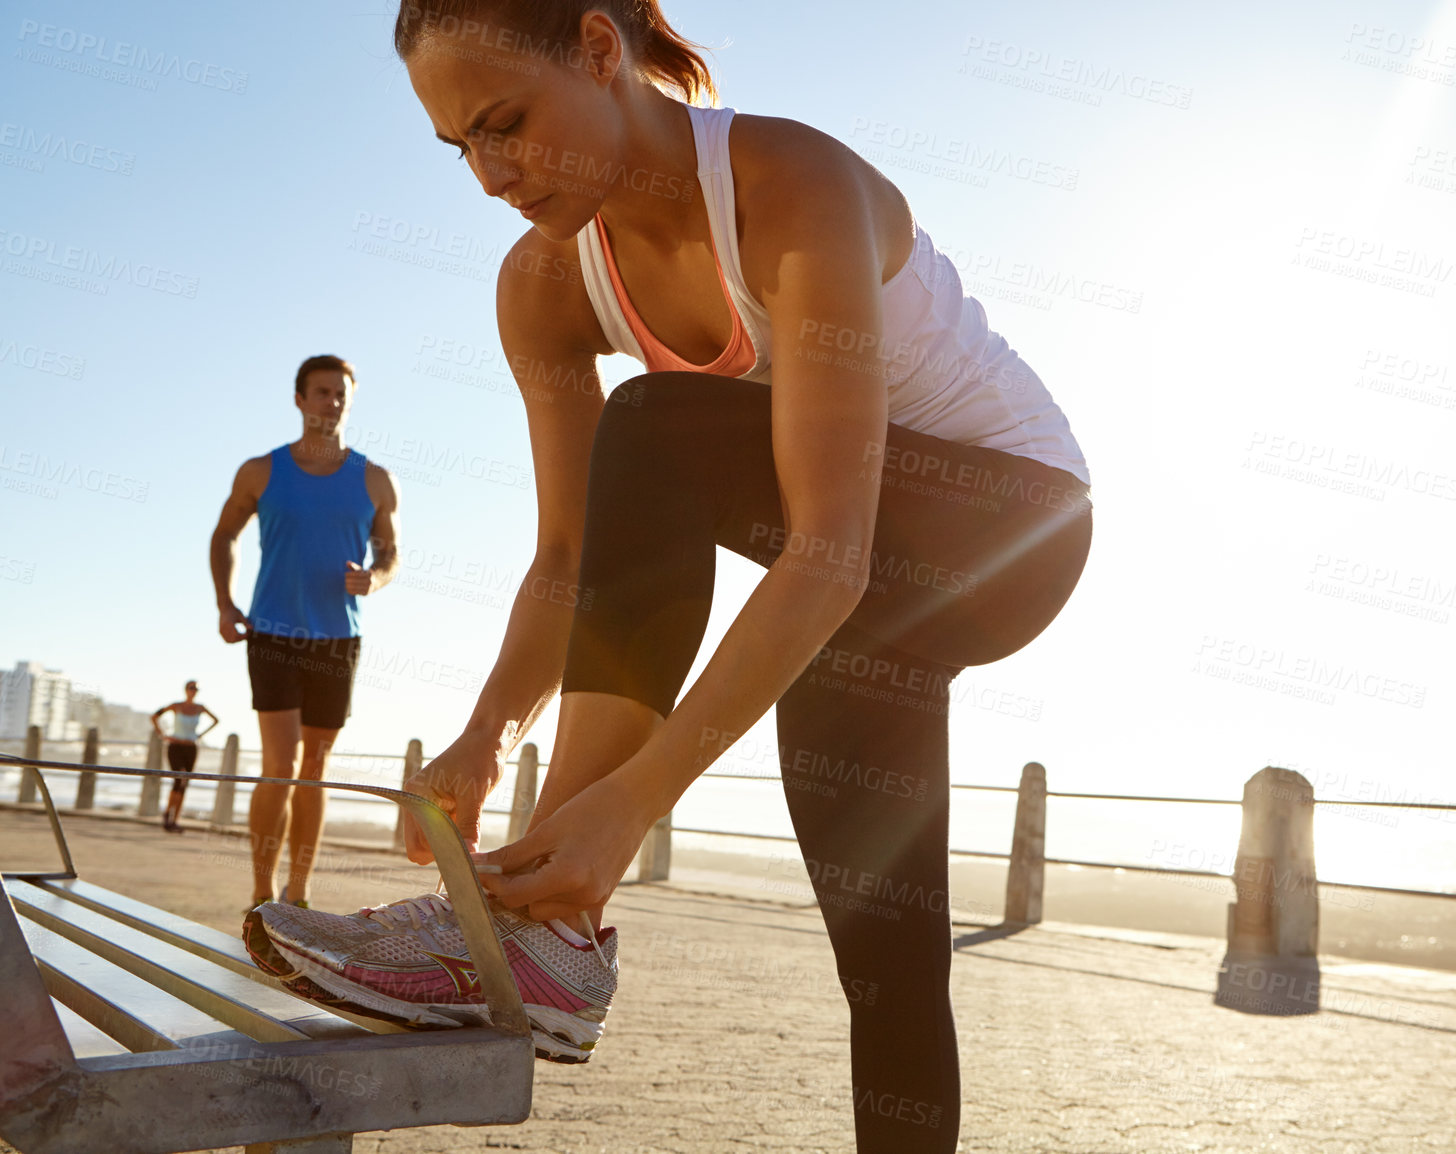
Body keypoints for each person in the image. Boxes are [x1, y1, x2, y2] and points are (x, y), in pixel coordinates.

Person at [249, 4, 1089, 1149]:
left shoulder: (790, 185)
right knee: (884, 950)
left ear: (599, 51)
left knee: (652, 422)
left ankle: (556, 923)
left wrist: (630, 804)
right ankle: (562, 919)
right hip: (854, 581)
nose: (492, 177)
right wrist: (491, 725)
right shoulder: (542, 285)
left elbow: (829, 548)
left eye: (507, 125)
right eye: (462, 148)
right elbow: (569, 552)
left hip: (1014, 526)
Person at [210, 354, 400, 913]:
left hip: (338, 637)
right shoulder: (261, 471)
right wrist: (225, 604)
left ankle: (299, 893)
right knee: (281, 763)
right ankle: (261, 891)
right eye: (320, 392)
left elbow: (391, 554)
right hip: (273, 631)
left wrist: (376, 578)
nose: (331, 402)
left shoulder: (374, 479)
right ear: (299, 400)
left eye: (339, 393)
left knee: (314, 769)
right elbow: (224, 535)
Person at [150, 680, 219, 833]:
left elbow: (216, 720)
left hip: (191, 747)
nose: (193, 691)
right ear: (186, 690)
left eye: (196, 688)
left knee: (184, 783)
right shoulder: (176, 706)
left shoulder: (200, 708)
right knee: (178, 779)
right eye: (191, 688)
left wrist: (200, 735)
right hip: (175, 747)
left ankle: (175, 820)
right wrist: (163, 735)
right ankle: (168, 814)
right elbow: (154, 716)